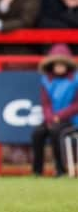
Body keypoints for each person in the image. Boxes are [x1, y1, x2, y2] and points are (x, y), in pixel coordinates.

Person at [32, 43, 78, 176]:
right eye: (56, 64)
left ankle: (60, 170)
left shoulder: (75, 80)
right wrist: (50, 118)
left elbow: (76, 105)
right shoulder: (46, 80)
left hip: (71, 120)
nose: (59, 67)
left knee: (55, 132)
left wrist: (59, 116)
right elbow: (45, 104)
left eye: (62, 64)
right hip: (52, 119)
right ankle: (37, 171)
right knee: (37, 133)